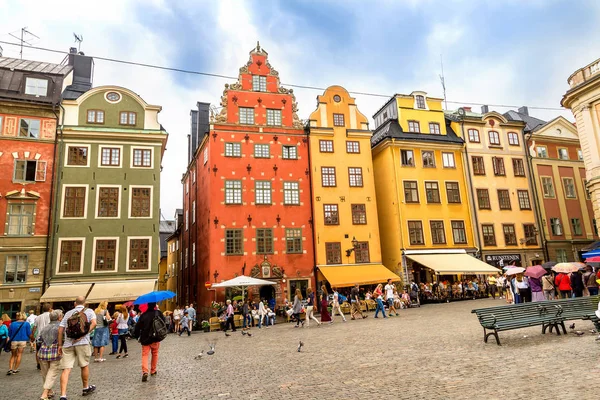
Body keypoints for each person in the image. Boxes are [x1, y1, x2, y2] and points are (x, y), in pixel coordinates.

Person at [57, 296, 97, 399]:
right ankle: (85, 387)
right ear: (85, 303)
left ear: (75, 304)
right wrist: (83, 335)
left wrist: (60, 345)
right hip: (83, 343)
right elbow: (94, 323)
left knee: (66, 369)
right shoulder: (89, 311)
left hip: (68, 344)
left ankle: (63, 395)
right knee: (84, 365)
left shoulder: (68, 313)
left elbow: (60, 330)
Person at [133, 302, 165, 382]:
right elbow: (164, 323)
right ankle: (153, 370)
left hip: (145, 338)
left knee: (145, 355)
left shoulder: (144, 315)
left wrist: (137, 336)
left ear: (147, 305)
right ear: (155, 305)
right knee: (155, 354)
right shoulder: (158, 313)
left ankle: (145, 372)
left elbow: (137, 327)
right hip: (156, 337)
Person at [38, 310, 63, 400]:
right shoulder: (60, 327)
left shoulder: (45, 327)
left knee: (45, 373)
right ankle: (45, 393)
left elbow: (39, 340)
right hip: (55, 352)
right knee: (52, 373)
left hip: (43, 352)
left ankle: (49, 391)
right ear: (59, 317)